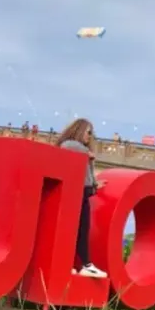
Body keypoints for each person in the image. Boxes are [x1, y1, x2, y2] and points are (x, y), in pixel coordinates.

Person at [56, 118, 108, 279]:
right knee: (76, 231)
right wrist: (87, 153)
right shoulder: (72, 146)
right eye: (89, 132)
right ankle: (84, 264)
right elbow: (67, 146)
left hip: (83, 194)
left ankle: (75, 264)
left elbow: (86, 177)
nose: (90, 136)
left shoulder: (83, 151)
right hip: (74, 194)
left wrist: (95, 184)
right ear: (80, 130)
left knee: (80, 231)